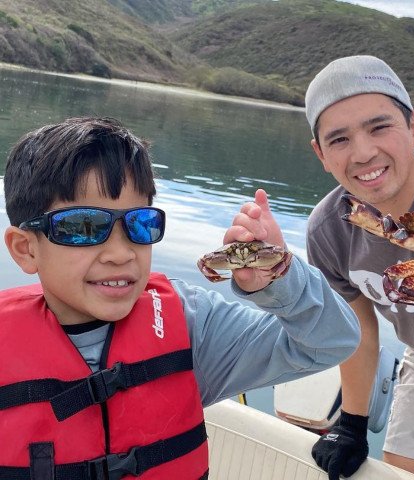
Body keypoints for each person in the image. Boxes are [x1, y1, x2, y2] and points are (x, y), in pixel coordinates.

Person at [0, 116, 360, 479]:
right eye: (83, 227)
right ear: (25, 249)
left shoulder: (192, 328)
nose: (120, 253)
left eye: (141, 223)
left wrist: (279, 273)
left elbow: (331, 342)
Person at [304, 54, 414, 480]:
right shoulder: (330, 231)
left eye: (379, 127)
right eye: (339, 139)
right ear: (321, 154)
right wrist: (352, 423)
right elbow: (358, 330)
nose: (364, 153)